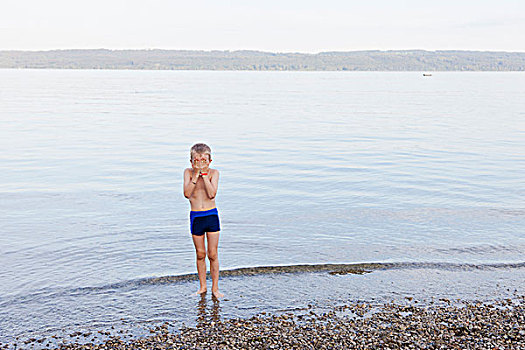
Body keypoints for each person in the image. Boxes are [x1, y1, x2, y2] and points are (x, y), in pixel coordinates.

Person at [183, 143, 224, 298]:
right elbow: (187, 194)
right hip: (196, 217)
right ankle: (202, 287)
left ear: (210, 160)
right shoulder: (188, 173)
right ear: (192, 161)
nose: (200, 163)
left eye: (204, 160)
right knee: (200, 253)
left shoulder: (214, 173)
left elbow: (212, 194)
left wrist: (205, 176)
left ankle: (215, 288)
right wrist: (195, 175)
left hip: (211, 215)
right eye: (197, 160)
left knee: (212, 253)